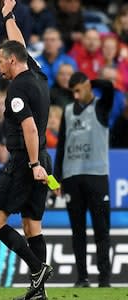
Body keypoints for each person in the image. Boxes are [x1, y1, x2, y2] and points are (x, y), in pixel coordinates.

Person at [0, 1, 53, 300]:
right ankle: (39, 292)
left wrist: (34, 163)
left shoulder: (16, 90)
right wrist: (8, 17)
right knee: (31, 225)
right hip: (42, 160)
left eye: (0, 62)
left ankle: (37, 268)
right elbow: (20, 45)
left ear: (12, 61)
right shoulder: (37, 75)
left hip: (27, 161)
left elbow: (29, 127)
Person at [53, 72, 114, 288]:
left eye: (79, 90)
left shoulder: (101, 107)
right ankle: (82, 278)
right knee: (77, 231)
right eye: (73, 92)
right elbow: (61, 146)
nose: (76, 96)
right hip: (71, 178)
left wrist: (91, 83)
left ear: (87, 87)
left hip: (97, 176)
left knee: (101, 230)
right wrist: (55, 180)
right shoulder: (68, 111)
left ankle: (104, 280)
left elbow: (108, 87)